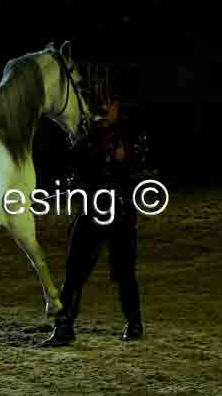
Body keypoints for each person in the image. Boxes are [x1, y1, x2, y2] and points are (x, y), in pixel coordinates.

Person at [42, 102, 150, 346]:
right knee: (74, 271)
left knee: (124, 271)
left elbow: (139, 171)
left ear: (117, 107)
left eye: (108, 106)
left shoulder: (131, 135)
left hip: (120, 210)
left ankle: (134, 323)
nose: (103, 111)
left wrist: (121, 162)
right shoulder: (86, 136)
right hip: (91, 209)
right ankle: (64, 328)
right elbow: (76, 170)